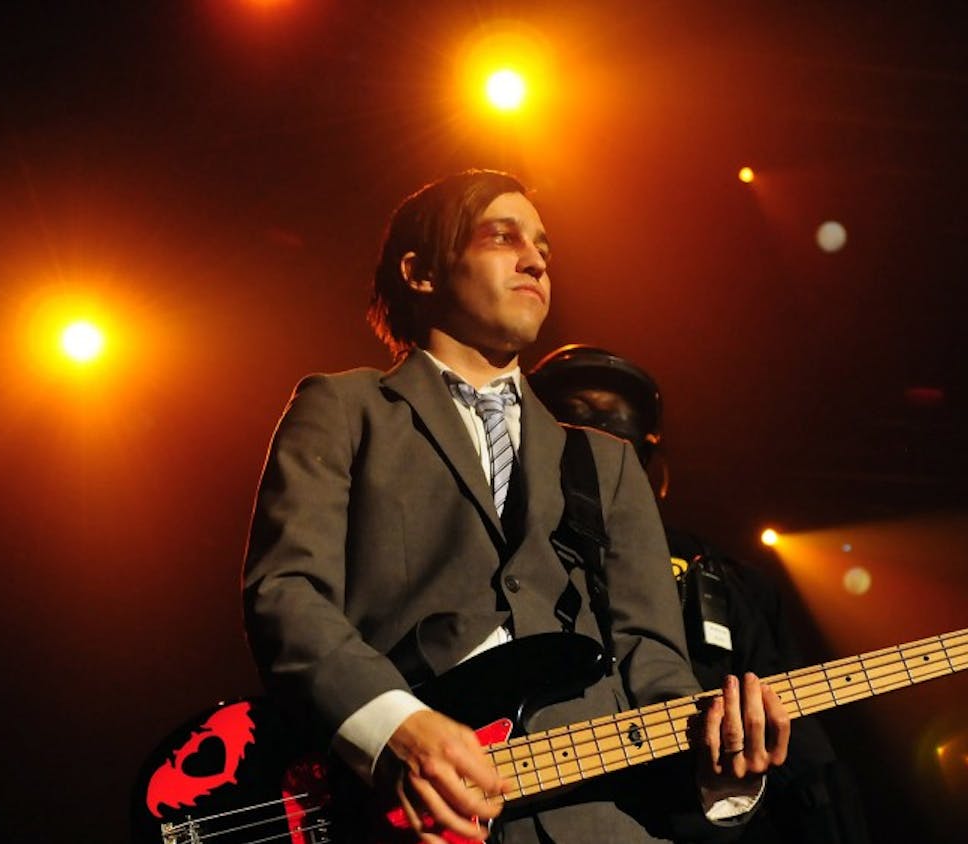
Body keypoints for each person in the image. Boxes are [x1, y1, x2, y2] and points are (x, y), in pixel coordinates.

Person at [242, 170, 789, 844]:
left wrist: (721, 759)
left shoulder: (604, 463)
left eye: (543, 249)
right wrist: (394, 728)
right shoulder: (345, 409)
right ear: (420, 272)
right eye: (503, 237)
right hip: (407, 818)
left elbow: (654, 666)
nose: (535, 260)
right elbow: (287, 592)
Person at [529, 345, 871, 844]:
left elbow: (805, 765)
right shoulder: (505, 557)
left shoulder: (730, 580)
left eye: (622, 443)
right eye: (577, 433)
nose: (603, 463)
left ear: (652, 465)